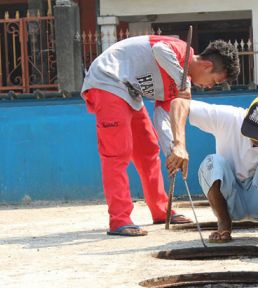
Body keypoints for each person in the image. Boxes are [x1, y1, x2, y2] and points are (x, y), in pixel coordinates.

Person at [81, 35, 240, 237]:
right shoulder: (181, 51)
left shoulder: (178, 86)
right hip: (108, 81)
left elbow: (162, 118)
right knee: (117, 154)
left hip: (129, 93)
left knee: (148, 150)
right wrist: (185, 84)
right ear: (207, 65)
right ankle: (119, 219)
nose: (209, 87)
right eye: (215, 81)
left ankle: (161, 210)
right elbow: (159, 50)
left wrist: (173, 151)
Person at [166, 95, 258, 243]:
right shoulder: (230, 118)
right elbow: (179, 103)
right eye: (252, 134)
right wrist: (179, 144)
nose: (255, 142)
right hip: (229, 199)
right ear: (245, 116)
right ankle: (224, 223)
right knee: (211, 162)